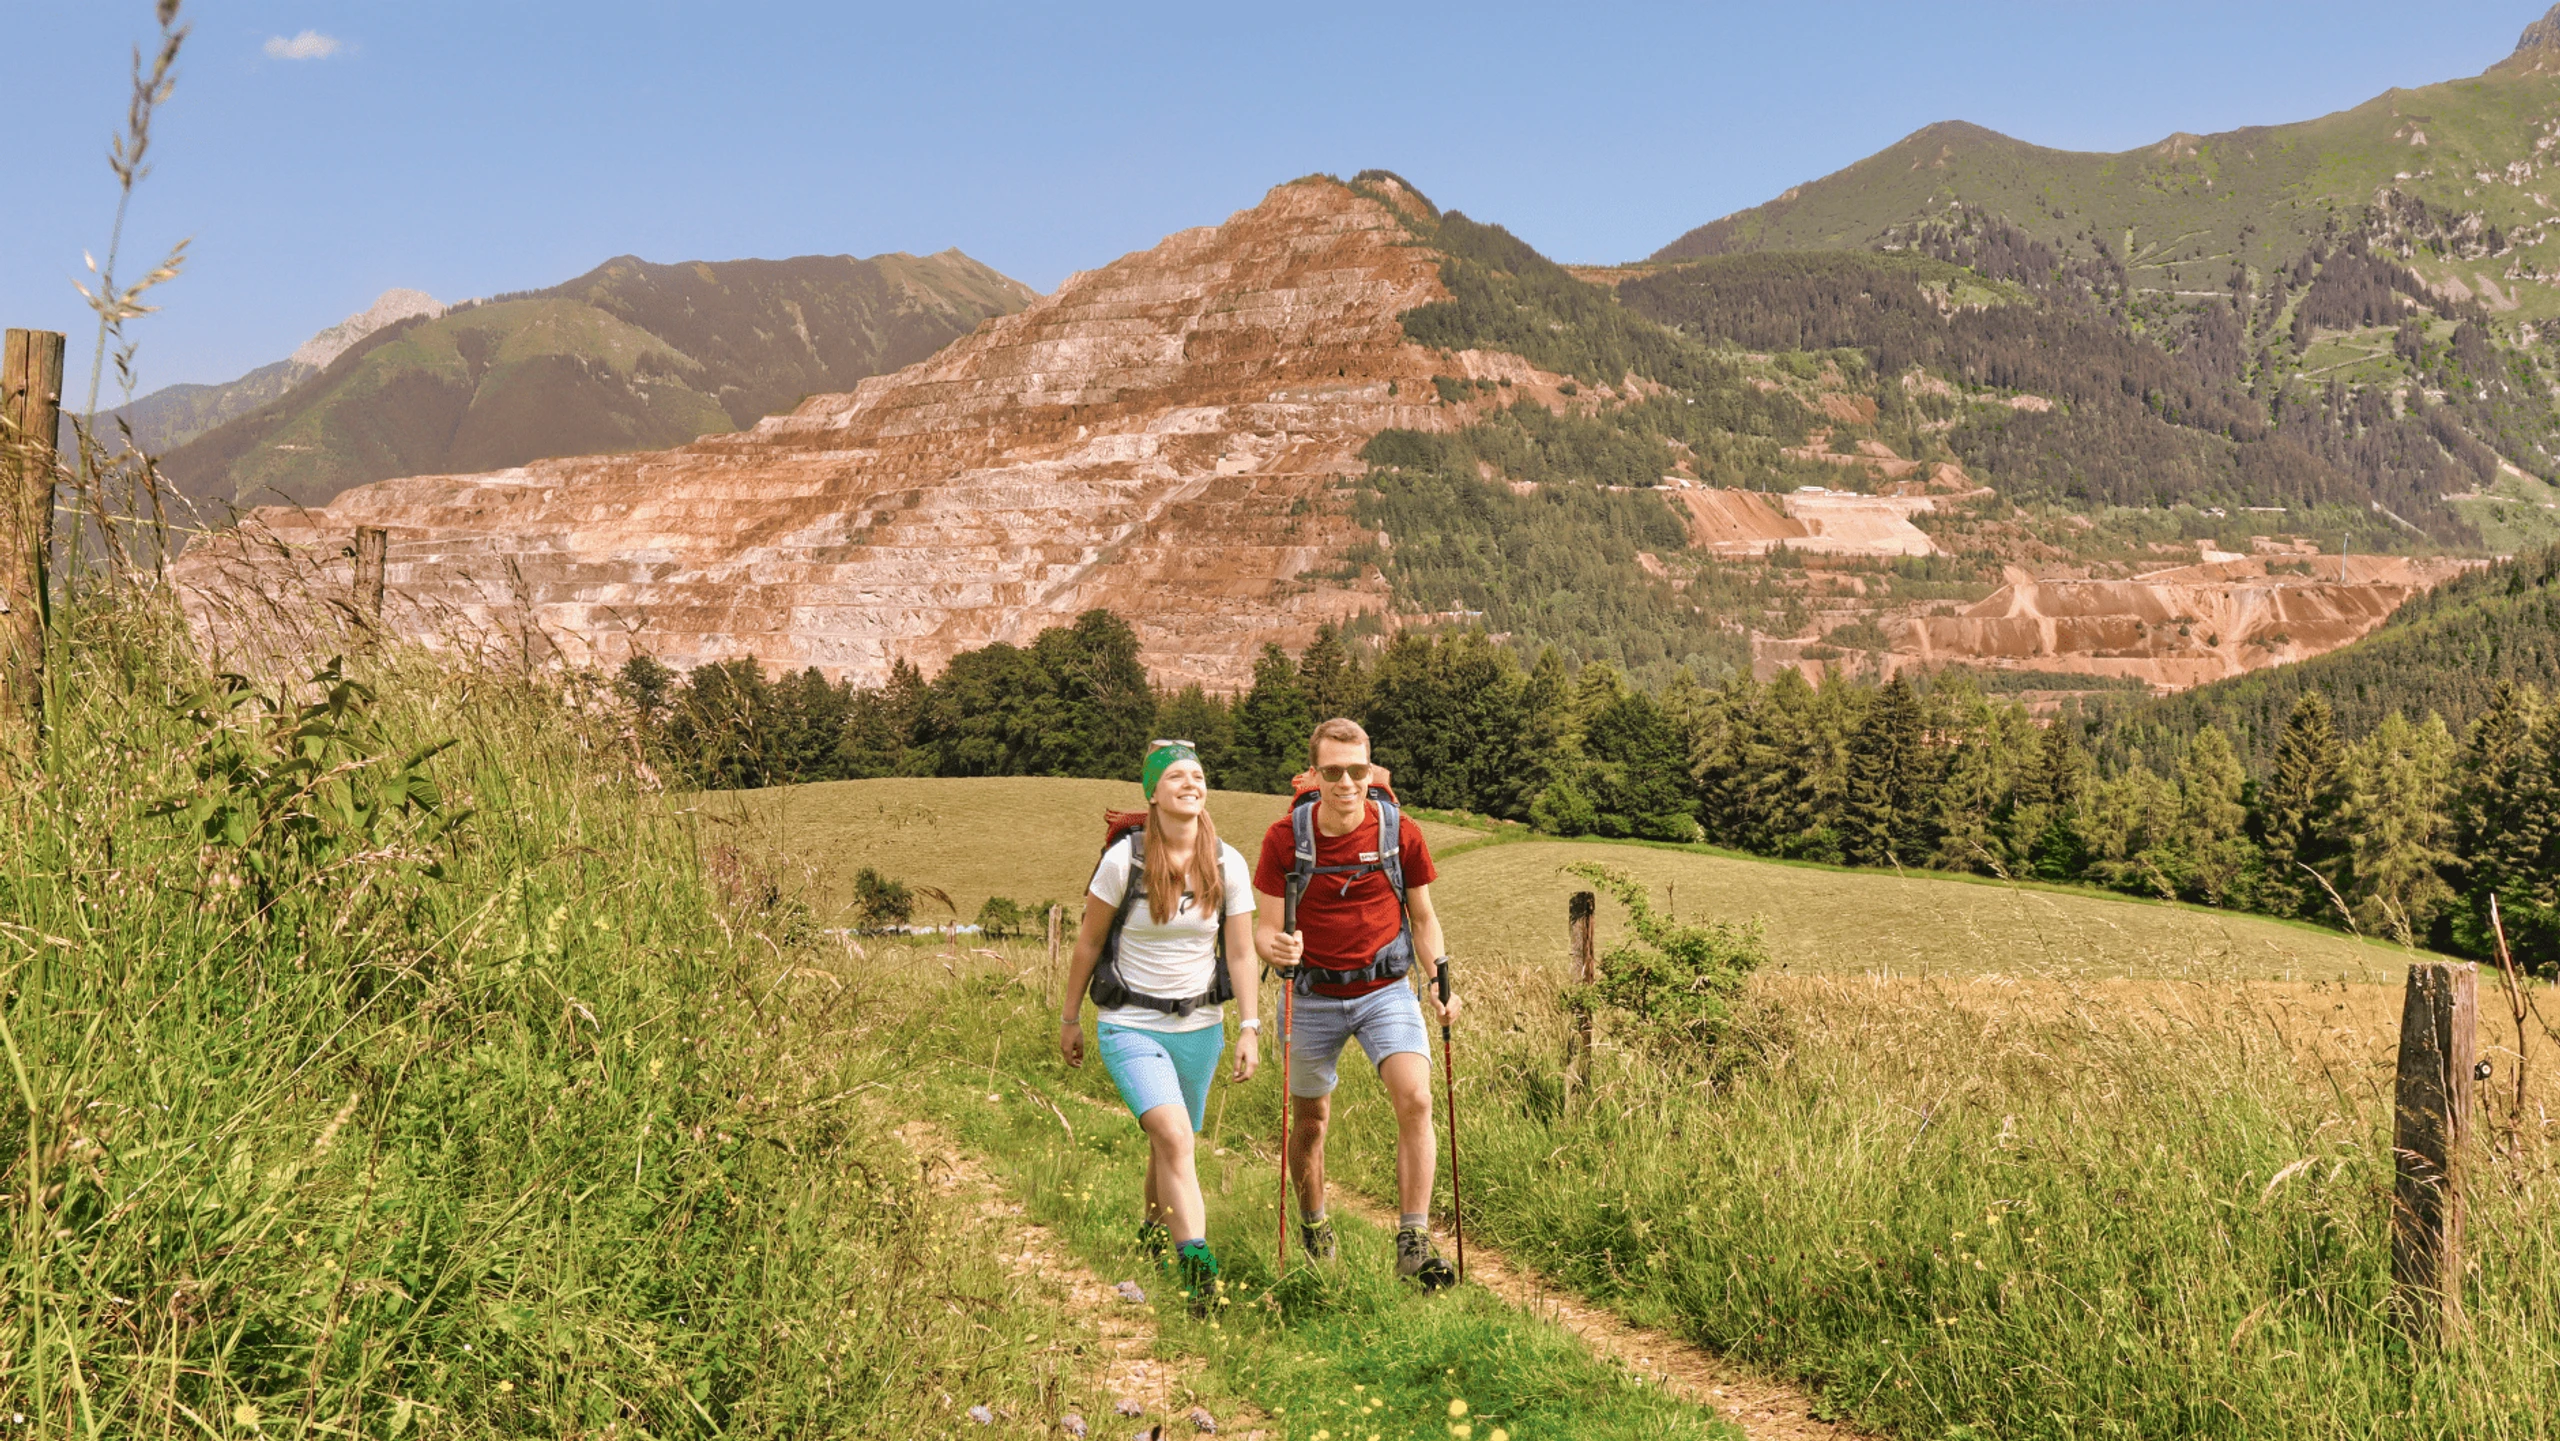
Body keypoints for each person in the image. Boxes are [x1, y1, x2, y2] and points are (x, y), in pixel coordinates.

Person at [1254, 716, 1459, 1289]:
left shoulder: (1400, 832)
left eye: (1358, 770)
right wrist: (1278, 947)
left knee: (1416, 1097)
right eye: (1334, 771)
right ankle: (1316, 1226)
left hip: (1384, 989)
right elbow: (1262, 931)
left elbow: (1423, 918)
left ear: (1371, 769)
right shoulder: (1283, 839)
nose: (1347, 782)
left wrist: (1441, 979)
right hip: (1311, 994)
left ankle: (1413, 1242)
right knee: (1311, 1120)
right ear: (1314, 774)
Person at [1059, 740, 1261, 1308]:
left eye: (1197, 775)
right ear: (1153, 793)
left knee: (1170, 1143)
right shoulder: (1124, 860)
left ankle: (1151, 1231)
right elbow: (1088, 942)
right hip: (1130, 1025)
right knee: (1174, 1137)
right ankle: (1198, 1272)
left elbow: (1242, 953)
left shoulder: (1228, 862)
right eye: (1175, 777)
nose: (1190, 784)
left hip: (1201, 1028)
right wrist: (1070, 1019)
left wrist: (1250, 1027)